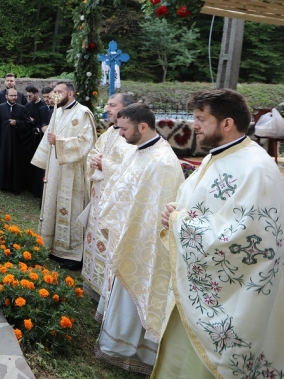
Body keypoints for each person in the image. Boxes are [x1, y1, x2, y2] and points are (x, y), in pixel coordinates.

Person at [155, 89, 284, 378]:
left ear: (227, 123)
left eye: (201, 119)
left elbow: (246, 241)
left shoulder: (256, 168)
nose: (194, 125)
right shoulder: (220, 155)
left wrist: (179, 222)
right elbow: (209, 206)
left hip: (235, 297)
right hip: (201, 283)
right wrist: (179, 210)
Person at [93, 103, 183, 374]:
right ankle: (114, 340)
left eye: (124, 129)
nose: (119, 134)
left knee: (135, 297)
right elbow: (122, 185)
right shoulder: (141, 150)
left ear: (142, 127)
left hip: (144, 246)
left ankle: (130, 350)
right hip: (128, 233)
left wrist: (129, 233)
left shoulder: (162, 163)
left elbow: (156, 213)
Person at [31, 82, 96, 270]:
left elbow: (87, 143)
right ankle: (51, 246)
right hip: (55, 169)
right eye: (54, 92)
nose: (55, 95)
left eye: (59, 92)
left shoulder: (83, 113)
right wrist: (44, 162)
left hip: (73, 172)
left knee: (71, 209)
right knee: (53, 205)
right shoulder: (57, 112)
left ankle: (73, 254)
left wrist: (59, 141)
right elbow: (48, 140)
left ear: (70, 93)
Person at [80, 92, 135, 299]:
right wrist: (94, 160)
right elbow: (94, 151)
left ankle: (104, 290)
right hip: (98, 195)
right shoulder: (110, 132)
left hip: (113, 201)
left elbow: (132, 170)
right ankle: (91, 282)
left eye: (112, 105)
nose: (107, 109)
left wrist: (105, 164)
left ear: (125, 108)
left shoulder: (131, 137)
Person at [0, 88, 36, 193]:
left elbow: (28, 124)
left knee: (16, 163)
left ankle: (15, 186)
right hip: (3, 141)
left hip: (16, 141)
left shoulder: (22, 108)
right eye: (11, 96)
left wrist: (17, 123)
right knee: (2, 161)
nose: (14, 98)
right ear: (6, 96)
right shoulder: (0, 108)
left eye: (15, 96)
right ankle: (2, 184)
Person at [25, 85, 49, 197]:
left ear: (36, 94)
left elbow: (41, 121)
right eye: (27, 95)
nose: (28, 97)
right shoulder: (27, 106)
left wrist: (36, 124)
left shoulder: (43, 106)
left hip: (41, 138)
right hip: (31, 137)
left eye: (30, 95)